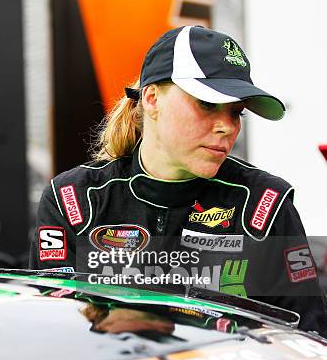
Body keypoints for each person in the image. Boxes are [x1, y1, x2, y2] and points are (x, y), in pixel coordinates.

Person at [29, 26, 327, 336]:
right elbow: (54, 330)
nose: (227, 127)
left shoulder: (265, 204)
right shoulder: (74, 199)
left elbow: (308, 339)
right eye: (208, 104)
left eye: (237, 112)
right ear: (152, 98)